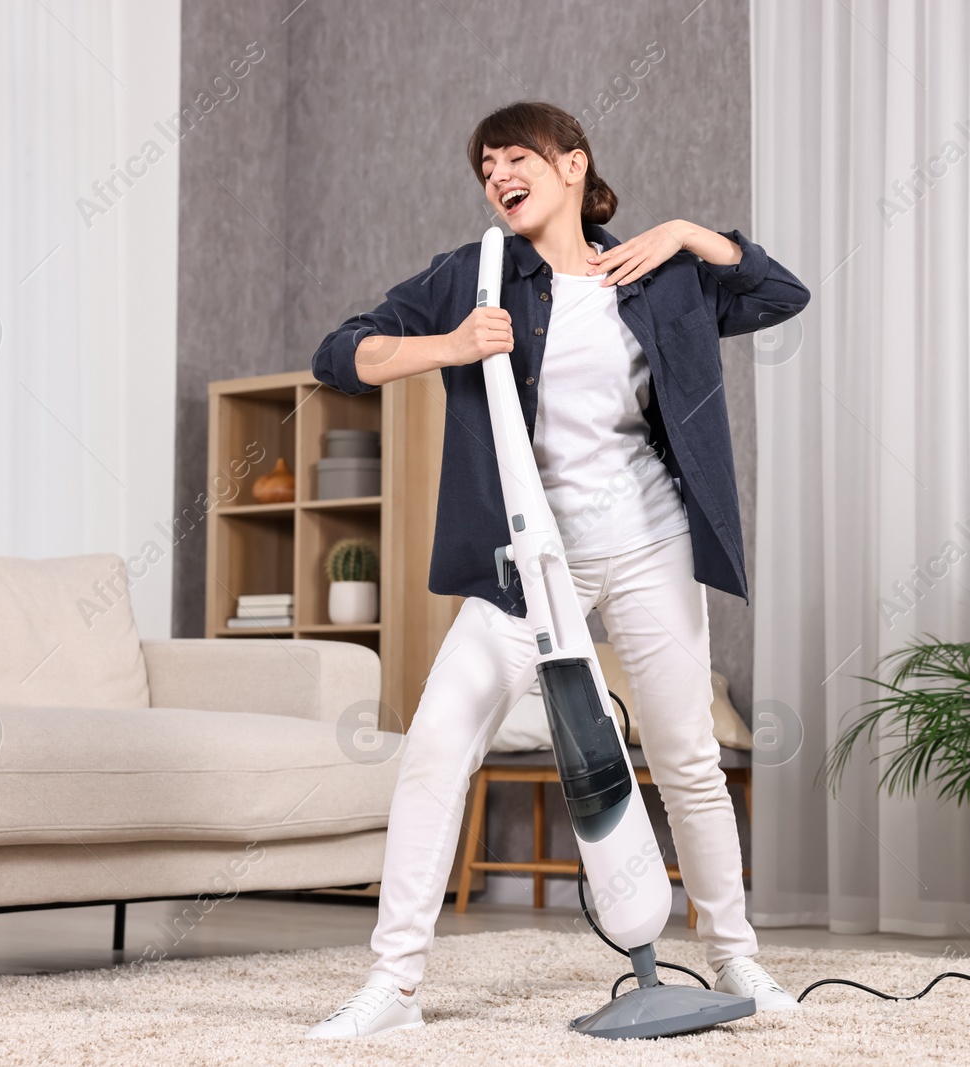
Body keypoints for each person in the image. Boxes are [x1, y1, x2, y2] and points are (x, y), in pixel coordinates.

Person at [304, 100, 810, 1039]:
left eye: (515, 154)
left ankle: (735, 954)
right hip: (532, 557)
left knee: (687, 755)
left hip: (653, 542)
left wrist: (689, 235)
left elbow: (782, 295)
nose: (497, 172)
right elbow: (342, 353)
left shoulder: (658, 275)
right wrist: (449, 346)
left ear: (573, 164)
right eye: (485, 163)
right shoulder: (476, 274)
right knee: (436, 744)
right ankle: (394, 985)